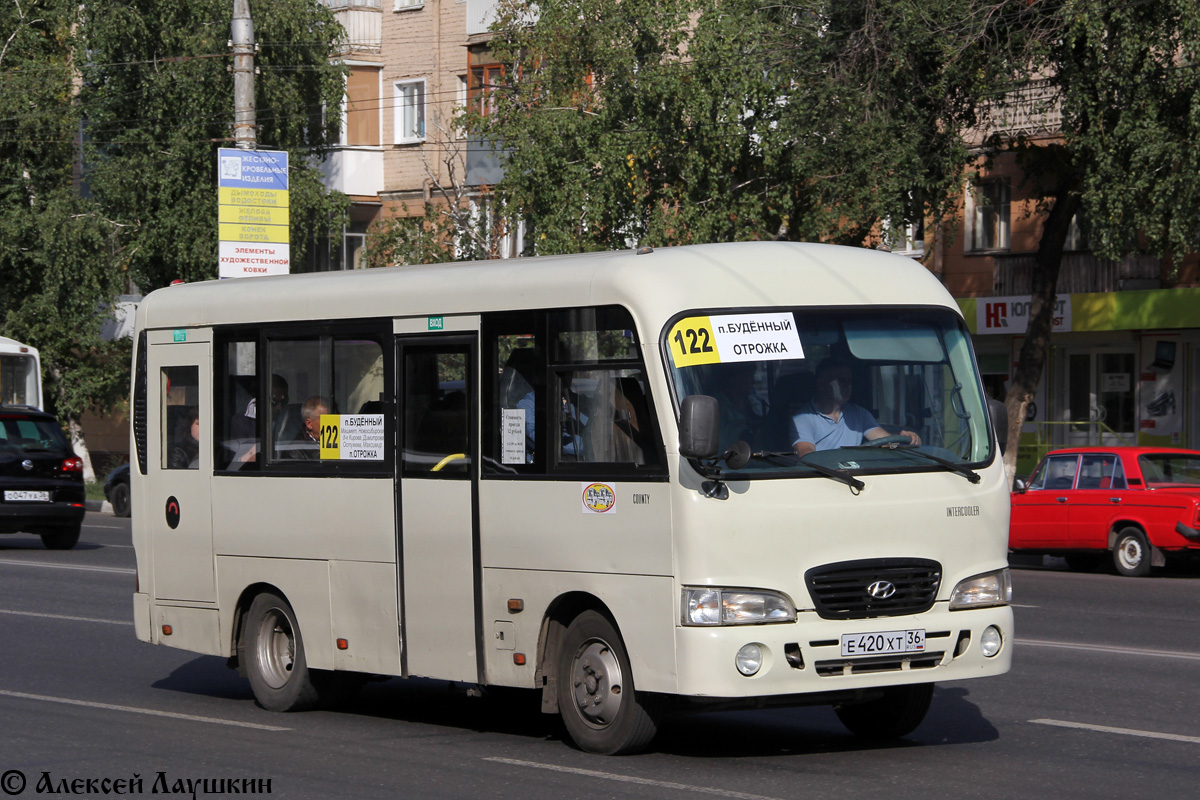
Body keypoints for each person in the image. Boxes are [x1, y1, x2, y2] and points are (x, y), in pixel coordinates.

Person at [791, 358, 922, 456]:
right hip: (823, 479)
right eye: (841, 380)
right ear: (821, 383)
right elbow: (807, 455)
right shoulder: (803, 419)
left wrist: (905, 441)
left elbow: (885, 442)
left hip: (857, 477)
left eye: (850, 381)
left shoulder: (859, 414)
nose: (847, 386)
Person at [280, 396, 330, 460]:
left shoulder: (341, 442)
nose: (334, 423)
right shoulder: (294, 453)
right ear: (309, 424)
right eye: (328, 420)